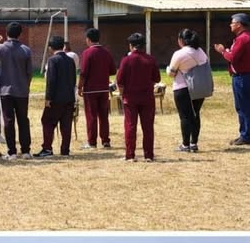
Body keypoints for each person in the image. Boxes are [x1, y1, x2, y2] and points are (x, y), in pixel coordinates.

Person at [0, 21, 33, 160]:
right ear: (20, 34)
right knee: (23, 120)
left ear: (6, 33)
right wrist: (26, 86)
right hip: (22, 90)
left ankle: (11, 151)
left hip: (5, 90)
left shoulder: (0, 48)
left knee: (8, 121)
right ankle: (26, 151)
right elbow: (29, 73)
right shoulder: (26, 50)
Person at [114, 33, 161, 162]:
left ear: (131, 46)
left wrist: (122, 94)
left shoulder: (126, 60)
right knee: (148, 127)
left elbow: (120, 80)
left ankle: (130, 154)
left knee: (130, 126)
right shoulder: (150, 59)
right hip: (147, 97)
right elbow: (157, 78)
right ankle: (149, 155)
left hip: (130, 98)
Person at [167, 29, 209, 153]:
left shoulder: (179, 54)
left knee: (185, 117)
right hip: (199, 88)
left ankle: (185, 145)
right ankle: (194, 143)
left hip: (182, 88)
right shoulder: (201, 51)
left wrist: (168, 69)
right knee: (196, 114)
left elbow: (171, 73)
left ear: (181, 40)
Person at [215, 13, 250, 146]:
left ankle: (247, 135)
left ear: (239, 24)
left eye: (232, 22)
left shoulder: (242, 39)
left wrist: (222, 51)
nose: (230, 25)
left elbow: (232, 57)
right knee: (242, 107)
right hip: (243, 76)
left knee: (244, 107)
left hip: (242, 77)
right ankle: (245, 133)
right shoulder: (245, 38)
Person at [37, 36, 76, 157]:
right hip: (69, 98)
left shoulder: (53, 60)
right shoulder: (70, 60)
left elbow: (51, 81)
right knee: (66, 125)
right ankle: (65, 150)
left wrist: (48, 98)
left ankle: (47, 148)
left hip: (56, 98)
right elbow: (74, 79)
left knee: (47, 122)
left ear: (51, 47)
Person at [78, 28, 115, 150]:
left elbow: (83, 73)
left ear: (88, 39)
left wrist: (79, 87)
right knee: (104, 116)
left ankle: (92, 142)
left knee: (91, 116)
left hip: (90, 90)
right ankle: (105, 141)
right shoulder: (106, 52)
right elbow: (113, 70)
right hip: (104, 89)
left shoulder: (87, 53)